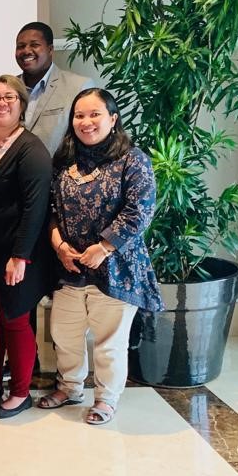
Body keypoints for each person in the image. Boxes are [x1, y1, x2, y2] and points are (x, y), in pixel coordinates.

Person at [42, 88, 163, 425]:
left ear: (112, 118)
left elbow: (140, 210)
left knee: (109, 342)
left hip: (116, 268)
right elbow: (50, 209)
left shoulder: (132, 159)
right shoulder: (64, 159)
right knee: (64, 333)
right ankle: (69, 386)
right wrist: (58, 245)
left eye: (95, 114)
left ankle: (106, 398)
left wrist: (104, 248)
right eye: (79, 115)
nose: (86, 122)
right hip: (69, 265)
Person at [0, 75, 51, 419]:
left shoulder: (31, 149)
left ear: (21, 105)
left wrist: (20, 256)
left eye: (9, 97)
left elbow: (36, 207)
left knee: (15, 320)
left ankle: (20, 392)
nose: (1, 103)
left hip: (14, 255)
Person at [14, 22, 96, 156]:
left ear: (50, 49)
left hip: (59, 174)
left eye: (34, 45)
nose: (26, 51)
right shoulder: (8, 89)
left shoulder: (79, 86)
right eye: (21, 46)